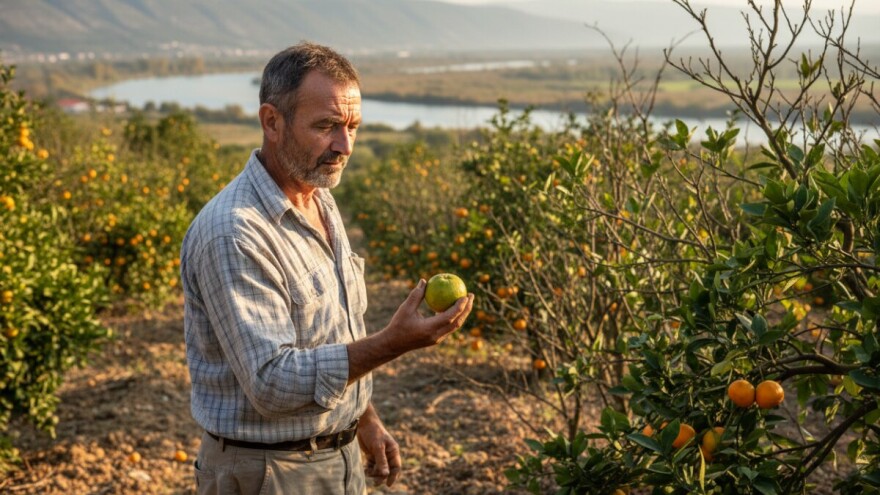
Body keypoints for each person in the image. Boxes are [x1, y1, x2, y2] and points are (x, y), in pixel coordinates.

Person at [180, 42, 474, 495]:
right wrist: (391, 344)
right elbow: (271, 383)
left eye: (353, 126)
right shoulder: (235, 233)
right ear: (271, 122)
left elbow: (328, 332)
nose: (344, 145)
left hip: (330, 459)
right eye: (326, 126)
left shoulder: (319, 197)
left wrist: (362, 418)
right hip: (269, 473)